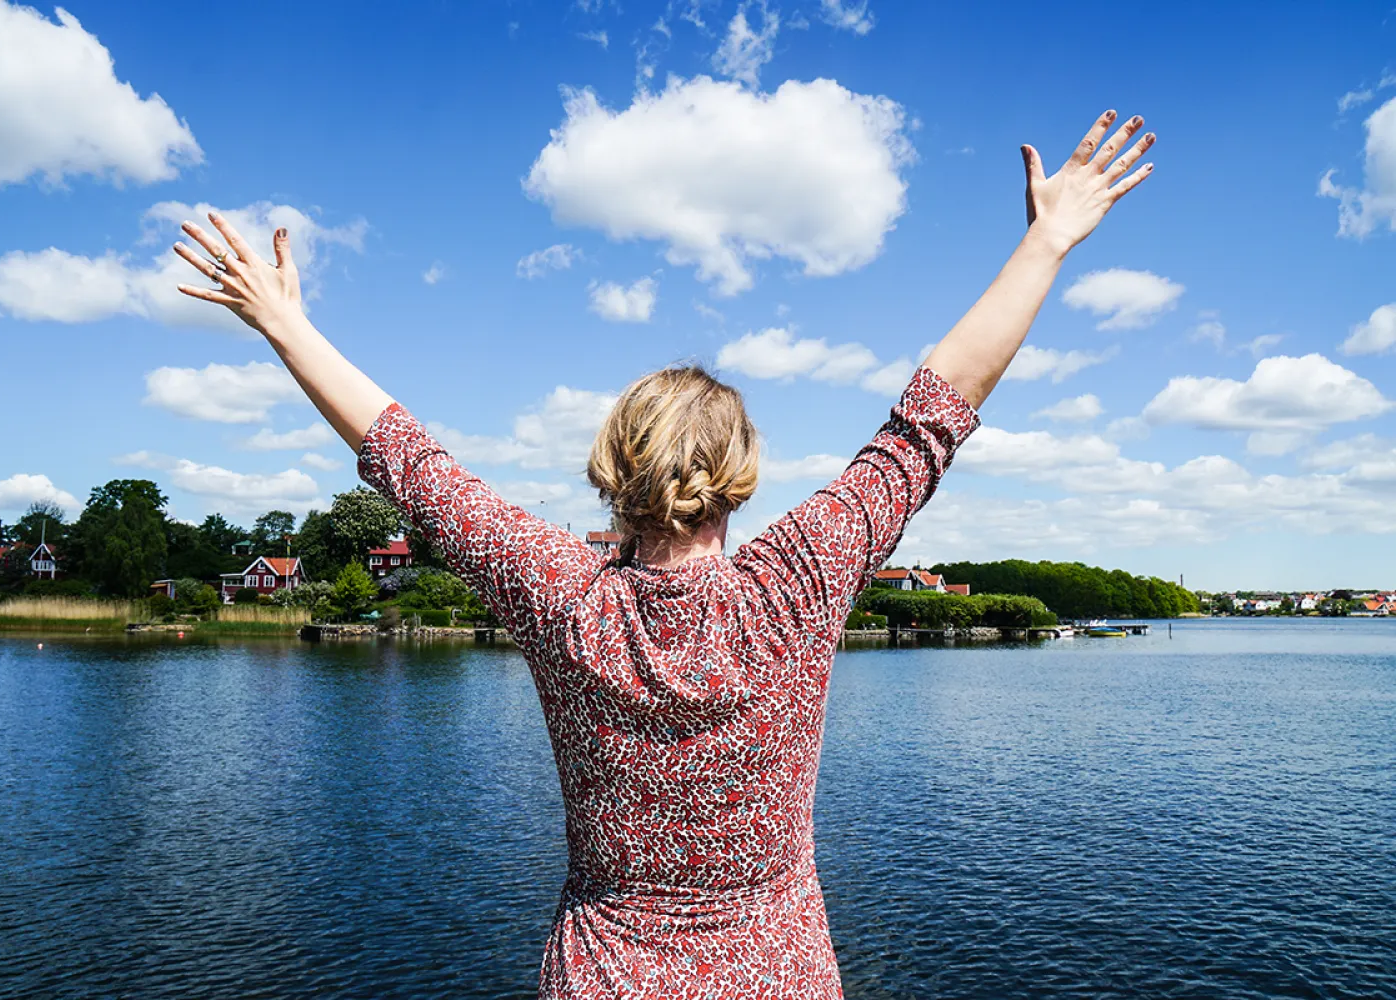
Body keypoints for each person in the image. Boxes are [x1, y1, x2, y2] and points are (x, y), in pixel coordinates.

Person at [176, 109, 1155, 999]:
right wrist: (1048, 241)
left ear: (611, 470)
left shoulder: (563, 596)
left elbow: (409, 461)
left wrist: (285, 323)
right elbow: (931, 415)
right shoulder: (799, 584)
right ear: (741, 477)